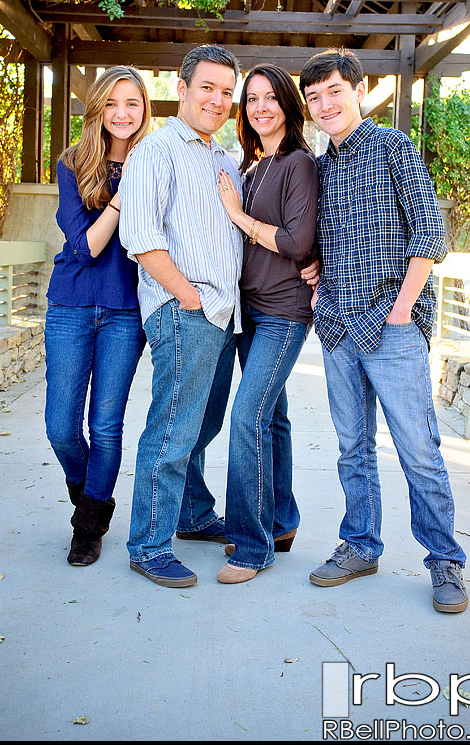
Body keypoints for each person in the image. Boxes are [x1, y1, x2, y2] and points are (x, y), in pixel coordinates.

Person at [299, 47, 468, 613]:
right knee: (352, 447)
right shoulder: (322, 166)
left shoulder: (394, 147)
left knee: (418, 449)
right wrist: (317, 271)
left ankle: (444, 560)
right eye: (314, 97)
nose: (325, 105)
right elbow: (326, 240)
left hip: (392, 328)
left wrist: (402, 308)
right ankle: (361, 545)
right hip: (339, 328)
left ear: (359, 90)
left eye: (334, 92)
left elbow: (429, 233)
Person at [118, 44, 244, 588]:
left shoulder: (221, 157)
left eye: (225, 92)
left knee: (201, 425)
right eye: (207, 88)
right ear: (182, 86)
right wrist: (187, 296)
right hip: (185, 313)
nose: (217, 100)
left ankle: (191, 516)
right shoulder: (157, 152)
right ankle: (148, 545)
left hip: (222, 315)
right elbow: (140, 238)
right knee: (171, 431)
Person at [215, 64, 319, 584]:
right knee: (273, 419)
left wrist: (238, 217)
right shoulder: (251, 166)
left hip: (282, 311)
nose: (259, 107)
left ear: (287, 104)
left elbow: (299, 243)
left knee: (246, 418)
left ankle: (252, 548)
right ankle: (281, 520)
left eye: (269, 97)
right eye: (251, 99)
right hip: (248, 311)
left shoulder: (298, 163)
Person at [44, 66, 151, 566]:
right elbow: (85, 246)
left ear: (145, 108)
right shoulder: (72, 163)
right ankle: (88, 493)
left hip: (127, 310)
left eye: (132, 103)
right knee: (61, 427)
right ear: (98, 109)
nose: (122, 114)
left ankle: (88, 526)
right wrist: (125, 196)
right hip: (71, 303)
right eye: (112, 103)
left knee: (106, 425)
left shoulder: (155, 161)